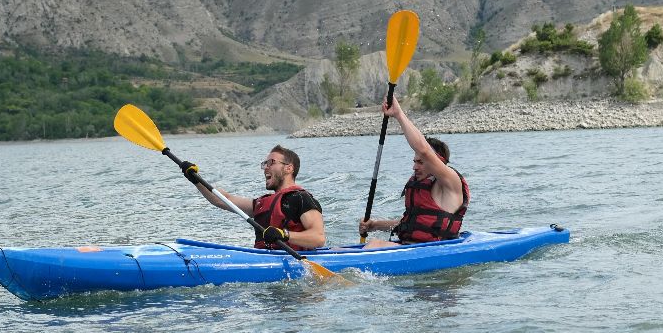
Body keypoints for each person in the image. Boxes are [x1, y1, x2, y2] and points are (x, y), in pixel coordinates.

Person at [359, 95, 470, 248]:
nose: (414, 167)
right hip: (409, 248)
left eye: (420, 162)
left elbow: (423, 150)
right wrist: (375, 225)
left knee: (375, 245)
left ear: (437, 162)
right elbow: (411, 223)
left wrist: (398, 114)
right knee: (338, 250)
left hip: (434, 252)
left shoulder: (450, 182)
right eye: (414, 161)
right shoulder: (421, 183)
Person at [180, 145, 326, 251]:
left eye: (271, 163)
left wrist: (284, 235)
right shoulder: (261, 203)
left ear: (289, 168)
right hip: (264, 258)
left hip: (295, 263)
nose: (266, 168)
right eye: (265, 164)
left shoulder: (302, 198)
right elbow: (221, 199)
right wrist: (196, 180)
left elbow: (318, 238)